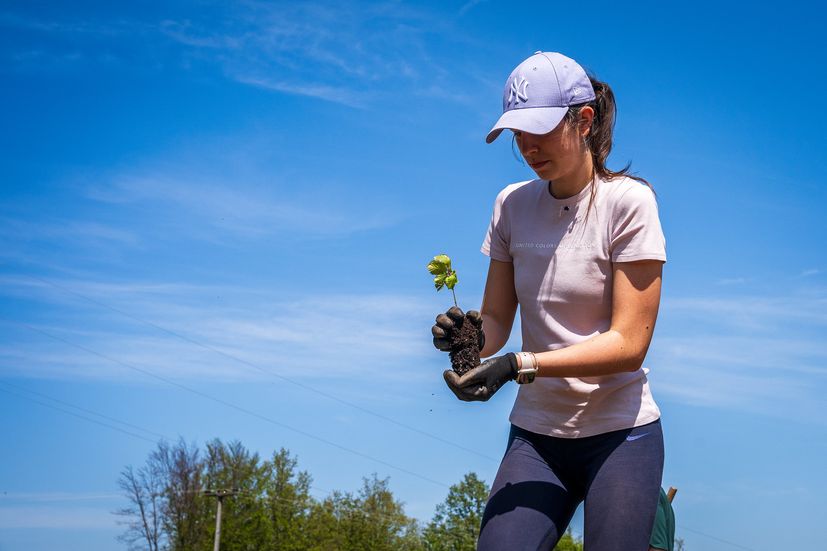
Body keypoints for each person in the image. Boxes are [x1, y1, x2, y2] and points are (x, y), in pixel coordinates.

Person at [432, 51, 668, 550]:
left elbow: (628, 344)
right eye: (518, 133)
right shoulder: (511, 205)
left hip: (621, 434)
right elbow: (496, 318)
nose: (527, 147)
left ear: (584, 120)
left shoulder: (628, 203)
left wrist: (519, 363)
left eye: (538, 130)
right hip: (537, 436)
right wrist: (468, 342)